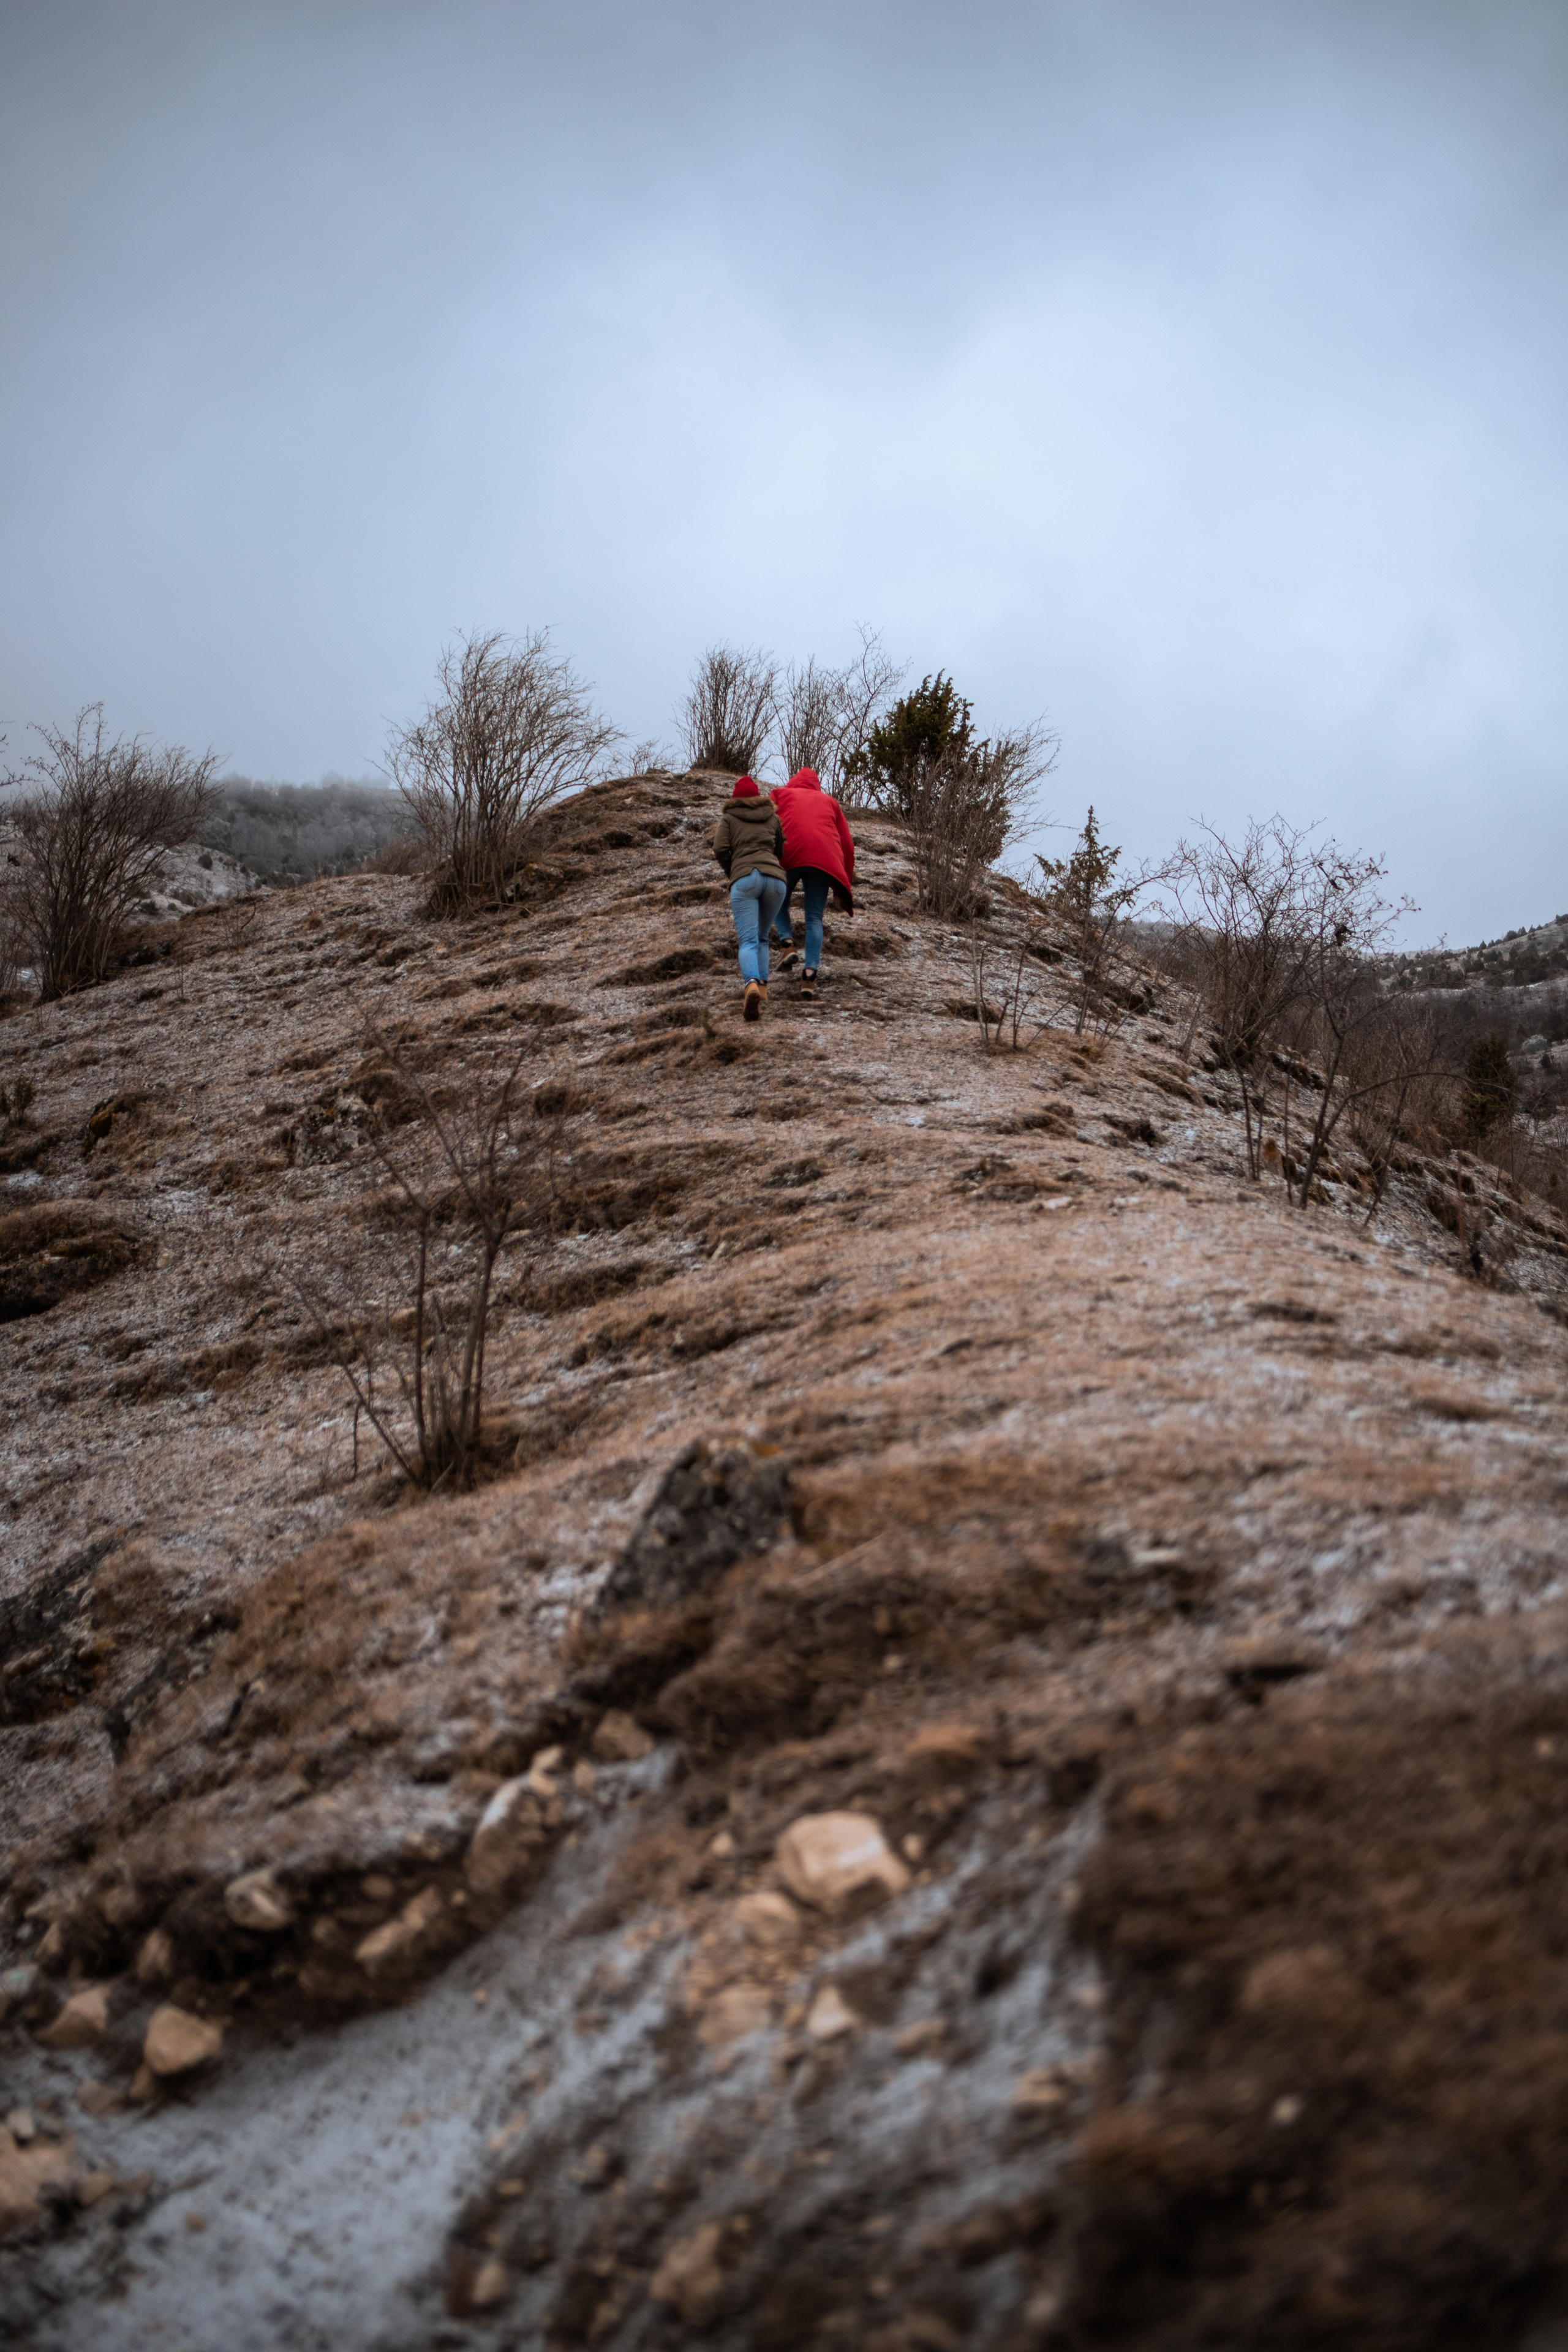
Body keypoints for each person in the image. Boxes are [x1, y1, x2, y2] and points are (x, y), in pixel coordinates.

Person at [771, 766, 855, 998]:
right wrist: (845, 879)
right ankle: (809, 977)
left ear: (794, 782)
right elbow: (847, 843)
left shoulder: (780, 794)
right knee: (814, 917)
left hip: (789, 853)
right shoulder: (830, 802)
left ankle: (787, 943)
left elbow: (768, 825)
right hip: (823, 858)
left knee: (778, 899)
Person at [711, 775, 787, 1022]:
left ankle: (751, 984)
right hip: (776, 880)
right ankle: (762, 989)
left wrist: (734, 871)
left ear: (736, 798)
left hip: (745, 879)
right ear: (757, 797)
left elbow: (720, 849)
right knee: (764, 937)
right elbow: (780, 850)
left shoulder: (729, 818)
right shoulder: (773, 817)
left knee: (748, 941)